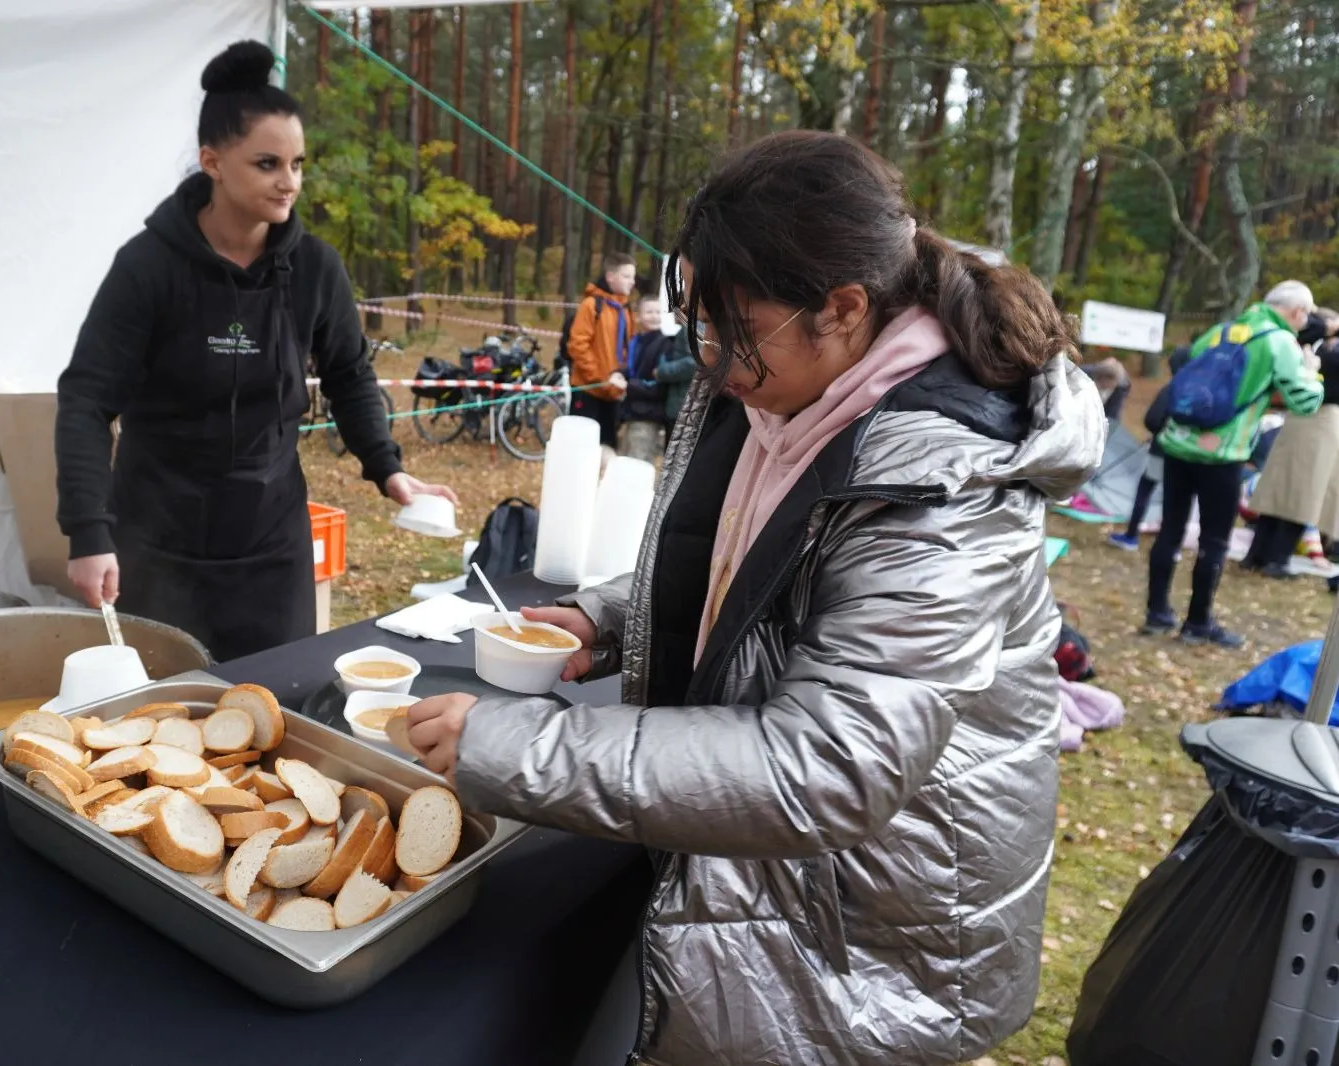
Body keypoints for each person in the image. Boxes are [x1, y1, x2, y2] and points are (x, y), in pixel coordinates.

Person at [406, 131, 1105, 1065]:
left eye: (731, 330)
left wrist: (510, 743)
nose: (710, 357)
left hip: (877, 922)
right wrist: (613, 616)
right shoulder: (784, 379)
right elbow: (752, 567)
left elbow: (829, 763)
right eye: (697, 321)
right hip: (780, 880)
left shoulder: (946, 490)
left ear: (845, 308)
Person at [54, 41, 453, 661]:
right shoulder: (148, 267)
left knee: (275, 711)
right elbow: (84, 399)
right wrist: (87, 531)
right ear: (211, 161)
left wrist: (388, 468)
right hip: (158, 546)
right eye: (267, 163)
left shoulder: (316, 268)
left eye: (298, 163)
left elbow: (349, 374)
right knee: (161, 724)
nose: (288, 181)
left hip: (272, 546)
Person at [1144, 280, 1324, 647]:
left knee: (1171, 529)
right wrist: (1312, 371)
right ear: (1297, 312)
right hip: (1223, 453)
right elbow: (1305, 402)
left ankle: (1157, 613)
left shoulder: (1222, 330)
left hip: (1179, 442)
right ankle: (1197, 623)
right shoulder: (1280, 342)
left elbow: (1185, 366)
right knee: (1214, 539)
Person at [1243, 308, 1339, 577]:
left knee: (1303, 492)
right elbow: (1306, 330)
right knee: (1281, 487)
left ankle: (1275, 557)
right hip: (1302, 416)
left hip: (1324, 419)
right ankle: (1260, 556)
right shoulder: (1311, 340)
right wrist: (1327, 328)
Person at [1108, 344, 1192, 551]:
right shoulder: (1202, 389)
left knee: (1146, 490)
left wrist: (1158, 432)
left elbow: (1153, 419)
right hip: (1190, 455)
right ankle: (1173, 544)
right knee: (1179, 499)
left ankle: (1131, 536)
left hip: (1163, 451)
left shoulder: (1172, 388)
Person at [564, 252, 638, 451]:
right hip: (589, 390)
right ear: (610, 276)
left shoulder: (626, 309)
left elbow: (628, 347)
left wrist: (622, 377)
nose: (632, 282)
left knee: (607, 448)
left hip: (613, 393)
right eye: (626, 276)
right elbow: (578, 346)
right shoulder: (591, 306)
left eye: (633, 277)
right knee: (582, 449)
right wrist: (601, 378)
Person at [616, 295, 680, 461]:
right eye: (649, 312)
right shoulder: (636, 341)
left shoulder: (666, 344)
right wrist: (618, 374)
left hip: (648, 415)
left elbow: (659, 386)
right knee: (624, 459)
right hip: (631, 412)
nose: (654, 316)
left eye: (658, 312)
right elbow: (633, 371)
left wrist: (628, 385)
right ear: (638, 316)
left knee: (638, 462)